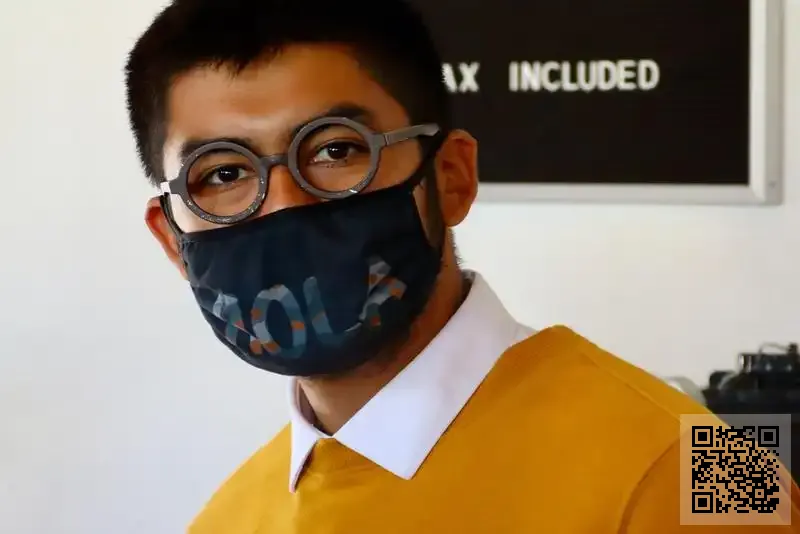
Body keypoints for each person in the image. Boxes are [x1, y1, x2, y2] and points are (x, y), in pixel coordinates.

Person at [124, 0, 800, 532]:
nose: (285, 204)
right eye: (224, 174)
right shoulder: (230, 519)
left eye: (336, 150)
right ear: (173, 241)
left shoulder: (704, 472)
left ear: (451, 176)